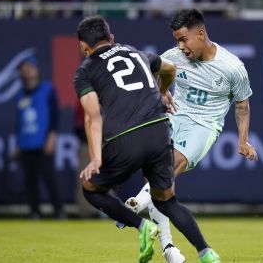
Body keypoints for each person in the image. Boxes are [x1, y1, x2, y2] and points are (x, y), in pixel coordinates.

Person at [74, 15, 221, 263]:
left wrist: (96, 158)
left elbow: (92, 117)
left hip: (124, 137)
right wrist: (163, 92)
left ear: (84, 48)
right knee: (166, 200)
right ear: (111, 38)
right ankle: (206, 252)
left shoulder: (85, 70)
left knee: (91, 189)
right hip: (159, 130)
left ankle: (142, 226)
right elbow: (170, 68)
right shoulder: (135, 52)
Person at [123, 9, 258, 263]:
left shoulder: (232, 68)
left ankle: (137, 205)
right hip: (174, 116)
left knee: (170, 166)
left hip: (204, 126)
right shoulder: (173, 57)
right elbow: (154, 75)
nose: (180, 46)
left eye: (184, 39)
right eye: (177, 40)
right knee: (159, 183)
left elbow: (242, 106)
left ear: (201, 33)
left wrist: (243, 140)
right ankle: (169, 249)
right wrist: (161, 91)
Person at [14, 57, 64, 220]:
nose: (26, 71)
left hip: (43, 142)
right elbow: (19, 121)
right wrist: (17, 143)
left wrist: (52, 136)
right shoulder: (20, 94)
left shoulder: (47, 89)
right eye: (23, 68)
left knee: (49, 178)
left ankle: (59, 211)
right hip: (26, 143)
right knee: (30, 181)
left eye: (30, 67)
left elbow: (55, 115)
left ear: (37, 70)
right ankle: (34, 211)